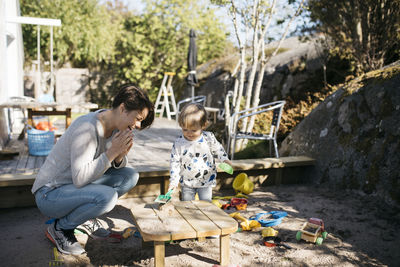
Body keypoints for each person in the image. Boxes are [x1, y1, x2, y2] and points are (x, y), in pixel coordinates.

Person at [31, 84, 154, 255]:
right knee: (107, 197)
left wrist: (119, 156)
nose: (139, 125)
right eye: (138, 118)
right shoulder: (87, 128)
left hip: (72, 187)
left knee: (129, 176)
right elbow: (81, 178)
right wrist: (112, 152)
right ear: (123, 108)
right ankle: (60, 229)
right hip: (50, 194)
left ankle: (82, 219)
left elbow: (101, 167)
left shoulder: (113, 127)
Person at [168, 103, 232, 201]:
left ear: (204, 125)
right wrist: (173, 182)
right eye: (185, 129)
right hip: (187, 182)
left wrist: (225, 160)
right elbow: (175, 162)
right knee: (187, 206)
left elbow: (218, 149)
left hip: (205, 180)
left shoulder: (208, 138)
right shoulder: (179, 143)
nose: (189, 133)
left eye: (193, 130)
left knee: (206, 205)